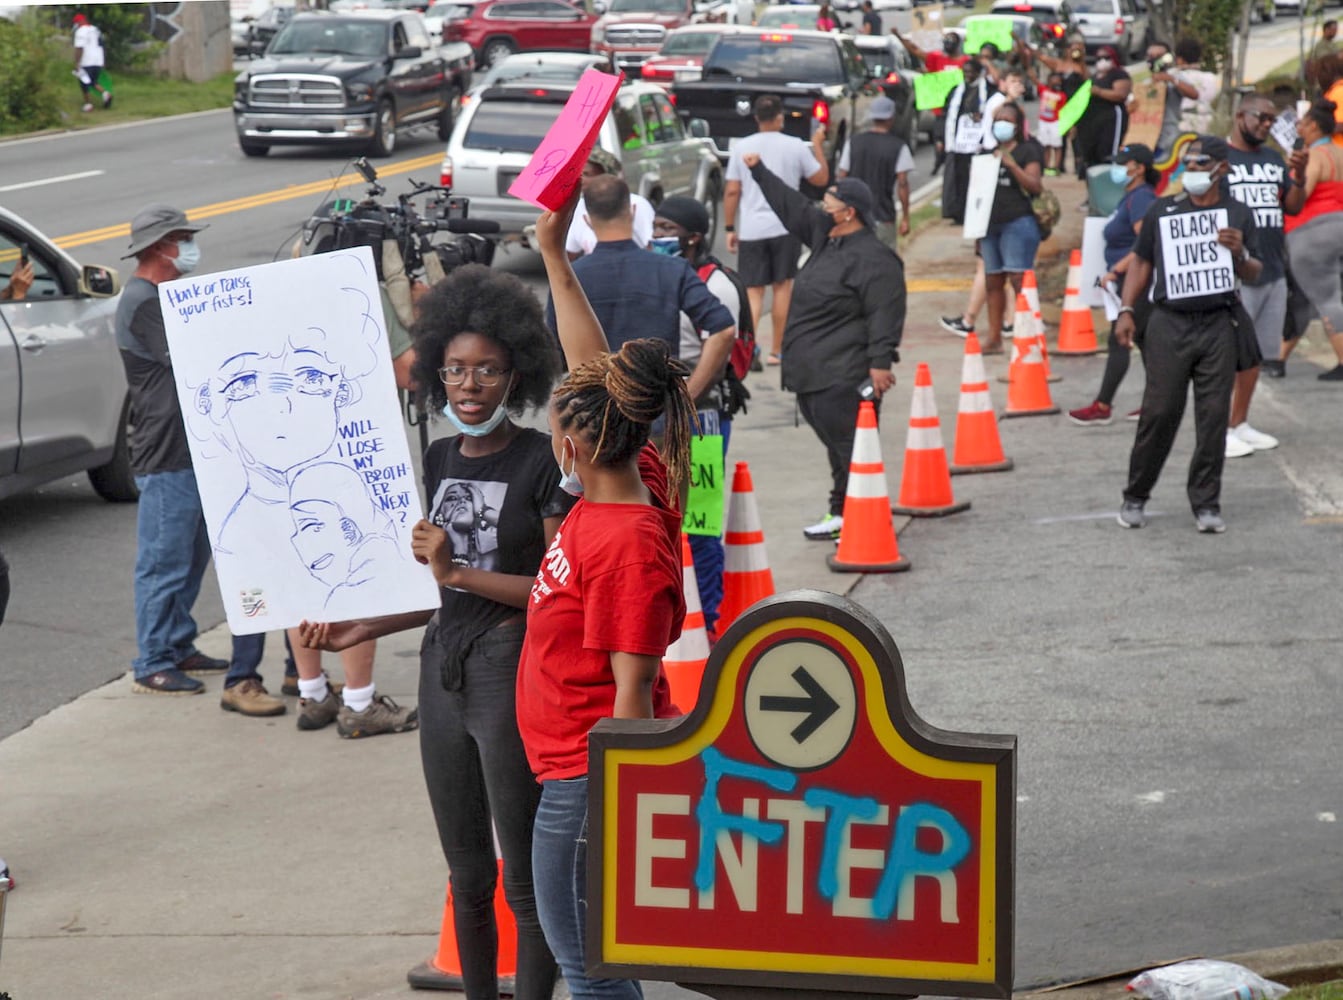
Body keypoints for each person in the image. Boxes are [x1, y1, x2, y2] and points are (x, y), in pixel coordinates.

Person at [298, 264, 569, 998]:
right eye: (454, 369)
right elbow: (432, 590)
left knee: (524, 876)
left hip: (509, 674)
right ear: (435, 374)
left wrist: (456, 575)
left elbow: (552, 593)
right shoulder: (441, 457)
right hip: (442, 670)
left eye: (487, 370)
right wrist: (357, 626)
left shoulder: (543, 460)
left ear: (517, 376)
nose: (469, 384)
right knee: (466, 874)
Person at [523, 189, 694, 1000]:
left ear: (570, 445)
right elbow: (590, 368)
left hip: (586, 785)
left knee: (587, 971)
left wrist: (611, 823)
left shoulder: (624, 542)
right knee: (588, 963)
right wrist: (556, 258)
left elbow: (633, 697)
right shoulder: (631, 480)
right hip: (567, 773)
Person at [115, 204, 282, 714]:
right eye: (182, 238)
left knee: (191, 560)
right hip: (167, 453)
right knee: (164, 563)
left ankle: (177, 646)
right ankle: (152, 662)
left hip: (195, 451)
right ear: (160, 247)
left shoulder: (162, 296)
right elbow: (194, 358)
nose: (189, 247)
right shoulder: (144, 303)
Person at [739, 155, 904, 540]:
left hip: (844, 373)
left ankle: (863, 519)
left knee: (852, 448)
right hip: (813, 372)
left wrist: (880, 363)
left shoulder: (876, 260)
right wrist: (760, 170)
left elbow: (885, 314)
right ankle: (843, 513)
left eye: (828, 201)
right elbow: (791, 205)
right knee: (838, 447)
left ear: (848, 212)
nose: (821, 206)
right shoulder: (824, 238)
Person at [1114, 136, 1262, 534]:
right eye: (1188, 163)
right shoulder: (1164, 209)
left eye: (1201, 164)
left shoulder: (1238, 213)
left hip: (1218, 323)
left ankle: (1206, 503)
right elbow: (1142, 261)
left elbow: (1256, 270)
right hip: (1168, 322)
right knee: (1159, 412)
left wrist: (1241, 254)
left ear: (1222, 169)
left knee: (1213, 418)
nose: (1192, 170)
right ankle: (1135, 495)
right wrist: (1127, 310)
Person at [547, 175, 736, 403]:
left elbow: (555, 352)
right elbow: (723, 330)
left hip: (593, 418)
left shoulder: (571, 277)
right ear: (633, 212)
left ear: (587, 221)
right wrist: (688, 397)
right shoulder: (673, 270)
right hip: (656, 414)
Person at [653, 195, 746, 637]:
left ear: (693, 236)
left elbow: (724, 344)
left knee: (702, 523)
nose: (657, 236)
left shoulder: (717, 284)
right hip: (661, 411)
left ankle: (709, 619)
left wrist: (688, 397)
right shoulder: (661, 273)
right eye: (654, 226)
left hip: (703, 416)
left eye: (667, 228)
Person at [1223, 93, 1306, 451]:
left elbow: (1292, 205)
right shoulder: (1221, 158)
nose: (1267, 125)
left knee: (1255, 356)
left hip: (1272, 268)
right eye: (1262, 117)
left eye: (1272, 121)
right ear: (1241, 115)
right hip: (1237, 272)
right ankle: (1219, 429)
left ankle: (1240, 422)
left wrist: (1299, 176)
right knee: (1227, 355)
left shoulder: (1273, 159)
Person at [724, 95, 829, 365]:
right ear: (780, 117)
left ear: (756, 118)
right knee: (783, 287)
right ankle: (777, 350)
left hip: (752, 228)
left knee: (754, 292)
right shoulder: (794, 146)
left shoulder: (742, 147)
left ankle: (750, 349)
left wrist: (729, 227)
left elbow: (733, 190)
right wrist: (817, 145)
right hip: (786, 226)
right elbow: (820, 179)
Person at [1068, 143, 1160, 426]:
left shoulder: (1141, 199)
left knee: (1122, 339)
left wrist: (1117, 270)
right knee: (1144, 342)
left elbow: (1145, 244)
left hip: (1135, 281)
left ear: (1139, 168)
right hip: (1128, 282)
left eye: (1124, 163)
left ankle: (1104, 404)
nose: (1118, 169)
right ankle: (1153, 403)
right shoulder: (1130, 197)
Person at [1282, 99, 1343, 380]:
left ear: (1314, 126)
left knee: (1325, 297)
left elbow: (1300, 195)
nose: (1299, 129)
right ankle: (1277, 358)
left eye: (1303, 124)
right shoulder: (1339, 152)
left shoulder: (1315, 157)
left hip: (1313, 231)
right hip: (1338, 225)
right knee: (1315, 296)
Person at [979, 101, 1044, 355]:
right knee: (993, 281)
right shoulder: (987, 151)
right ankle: (994, 337)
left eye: (1008, 120)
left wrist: (1012, 165)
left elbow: (1035, 185)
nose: (1002, 125)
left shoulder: (1028, 151)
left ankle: (1029, 335)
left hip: (1018, 223)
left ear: (1017, 125)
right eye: (998, 120)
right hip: (990, 225)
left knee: (1020, 280)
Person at [837, 94, 914, 251]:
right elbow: (903, 184)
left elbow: (841, 177)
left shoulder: (853, 143)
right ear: (891, 118)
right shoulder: (899, 146)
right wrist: (905, 217)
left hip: (855, 218)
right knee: (884, 263)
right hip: (884, 216)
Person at [565, 147, 655, 259]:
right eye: (577, 173)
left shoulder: (637, 204)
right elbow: (570, 252)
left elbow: (653, 247)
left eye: (586, 174)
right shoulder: (579, 207)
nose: (580, 179)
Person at [940, 58, 998, 225]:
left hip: (977, 146)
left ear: (978, 73)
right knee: (957, 179)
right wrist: (940, 139)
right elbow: (945, 115)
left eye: (971, 72)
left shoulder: (988, 91)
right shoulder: (955, 91)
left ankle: (974, 212)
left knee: (975, 179)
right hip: (957, 145)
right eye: (965, 72)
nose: (967, 75)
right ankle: (957, 213)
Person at [1074, 45, 1131, 179]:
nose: (1102, 60)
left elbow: (1120, 94)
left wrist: (1099, 92)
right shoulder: (1095, 76)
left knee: (1107, 153)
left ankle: (1109, 184)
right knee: (1092, 156)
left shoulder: (1119, 74)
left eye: (1106, 57)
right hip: (1093, 121)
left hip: (1110, 119)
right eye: (1099, 58)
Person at [1153, 38, 1218, 138]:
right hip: (1208, 124)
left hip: (1179, 127)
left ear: (1179, 59)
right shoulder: (1211, 78)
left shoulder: (1171, 76)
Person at [72, 12, 112, 112]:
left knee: (84, 83)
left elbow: (79, 48)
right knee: (93, 82)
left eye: (76, 23)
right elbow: (102, 45)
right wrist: (103, 61)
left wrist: (77, 62)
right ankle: (105, 94)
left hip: (86, 61)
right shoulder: (96, 30)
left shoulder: (80, 31)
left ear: (79, 22)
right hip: (98, 60)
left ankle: (88, 104)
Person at [1033, 69, 1067, 175]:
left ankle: (1056, 168)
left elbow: (1063, 110)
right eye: (1054, 80)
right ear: (1049, 81)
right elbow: (1034, 78)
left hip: (1055, 122)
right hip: (1043, 122)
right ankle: (1046, 166)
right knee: (1045, 145)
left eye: (1059, 81)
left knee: (1057, 145)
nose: (1057, 83)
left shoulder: (1062, 95)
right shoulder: (1043, 90)